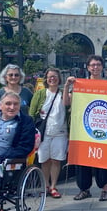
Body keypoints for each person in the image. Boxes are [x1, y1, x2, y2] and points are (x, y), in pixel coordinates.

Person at [66, 55, 107, 201]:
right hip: (84, 127)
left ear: (102, 67)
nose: (95, 67)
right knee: (82, 160)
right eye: (92, 65)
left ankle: (105, 189)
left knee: (104, 159)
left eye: (98, 64)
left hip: (103, 127)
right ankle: (84, 189)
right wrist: (68, 86)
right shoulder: (81, 85)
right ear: (88, 67)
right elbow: (67, 103)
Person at [29, 68, 68, 199]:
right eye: (50, 76)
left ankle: (53, 186)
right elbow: (31, 113)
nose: (52, 79)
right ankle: (45, 185)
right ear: (46, 79)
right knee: (44, 159)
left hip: (60, 131)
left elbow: (68, 106)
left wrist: (68, 87)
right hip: (44, 132)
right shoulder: (40, 94)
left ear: (59, 78)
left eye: (55, 76)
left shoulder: (63, 93)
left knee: (56, 160)